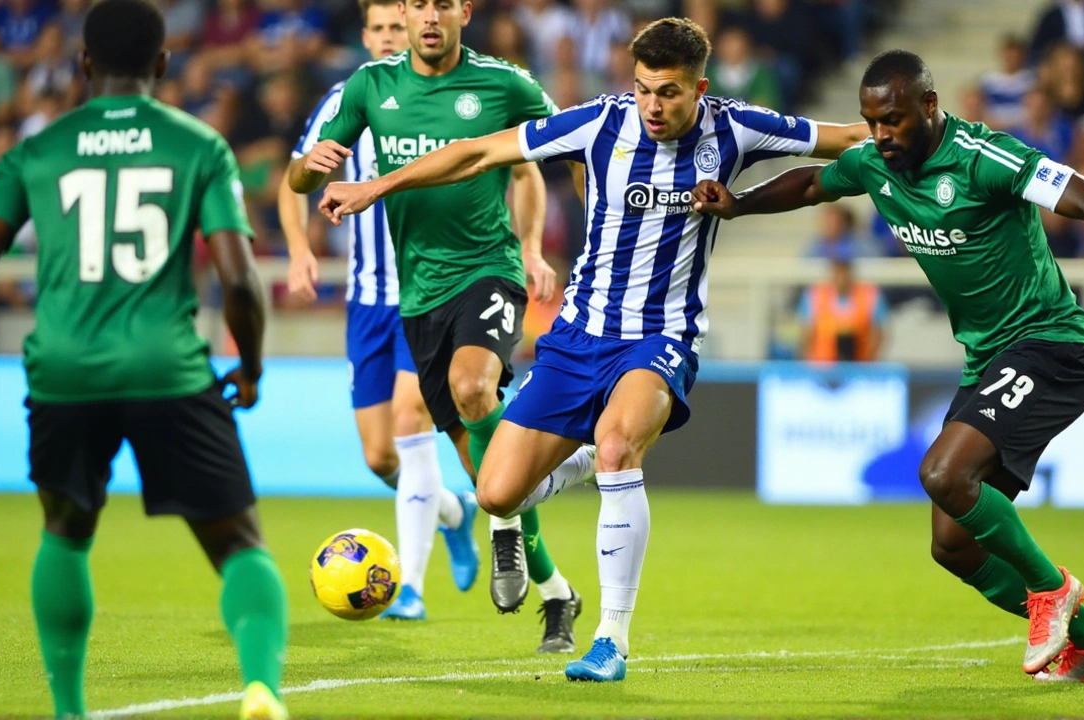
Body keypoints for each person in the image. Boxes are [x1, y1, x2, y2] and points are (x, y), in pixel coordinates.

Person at [316, 16, 869, 681]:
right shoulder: (599, 122)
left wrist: (934, 142)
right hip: (578, 338)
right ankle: (576, 463)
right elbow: (478, 153)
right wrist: (377, 185)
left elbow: (847, 139)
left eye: (668, 92)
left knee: (619, 448)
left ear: (700, 86)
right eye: (643, 90)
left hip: (661, 336)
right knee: (496, 494)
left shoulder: (737, 126)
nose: (653, 107)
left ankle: (611, 638)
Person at [693, 49, 1084, 683]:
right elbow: (814, 182)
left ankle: (1053, 591)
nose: (881, 135)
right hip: (988, 358)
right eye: (871, 122)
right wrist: (738, 204)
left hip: (1051, 345)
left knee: (940, 472)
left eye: (895, 120)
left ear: (930, 107)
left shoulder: (985, 158)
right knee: (952, 545)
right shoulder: (877, 162)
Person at [0, 1, 290, 717]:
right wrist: (250, 365)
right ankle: (260, 690)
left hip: (63, 374)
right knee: (239, 541)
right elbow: (241, 279)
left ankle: (68, 709)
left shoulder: (36, 151)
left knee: (65, 527)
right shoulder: (198, 146)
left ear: (83, 64)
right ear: (162, 65)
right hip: (168, 370)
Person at [288, 0, 593, 652]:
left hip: (488, 270)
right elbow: (299, 172)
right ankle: (558, 592)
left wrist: (548, 244)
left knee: (472, 385)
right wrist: (307, 170)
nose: (429, 16)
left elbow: (559, 151)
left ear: (464, 11)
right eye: (418, 4)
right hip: (416, 297)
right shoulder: (371, 86)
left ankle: (501, 530)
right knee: (488, 476)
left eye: (443, 4)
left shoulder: (505, 83)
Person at [278, 0, 479, 623]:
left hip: (433, 290)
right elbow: (294, 179)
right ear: (366, 36)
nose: (395, 35)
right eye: (384, 28)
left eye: (402, 25)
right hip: (368, 299)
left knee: (409, 415)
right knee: (378, 455)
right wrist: (298, 251)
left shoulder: (453, 91)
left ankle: (410, 587)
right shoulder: (347, 99)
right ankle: (453, 510)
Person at [799, 248, 886, 362]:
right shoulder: (814, 295)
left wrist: (869, 362)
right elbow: (806, 334)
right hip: (822, 367)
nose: (841, 277)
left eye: (844, 271)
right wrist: (809, 363)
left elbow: (879, 333)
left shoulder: (870, 296)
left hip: (859, 366)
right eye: (837, 271)